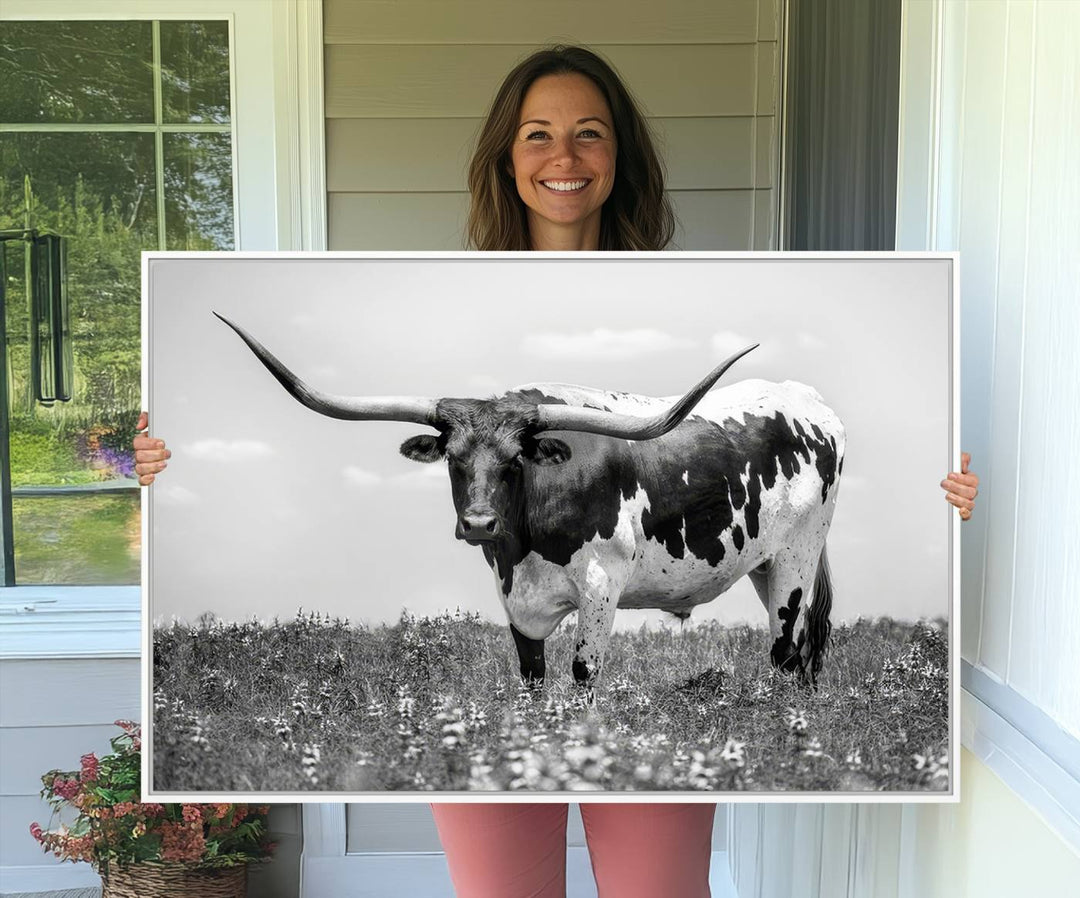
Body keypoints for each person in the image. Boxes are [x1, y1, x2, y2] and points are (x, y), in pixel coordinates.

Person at [134, 45, 978, 898]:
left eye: (589, 134)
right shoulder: (432, 293)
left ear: (621, 158)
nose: (563, 158)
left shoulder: (704, 292)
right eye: (537, 135)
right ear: (507, 156)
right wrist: (160, 465)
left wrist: (947, 493)